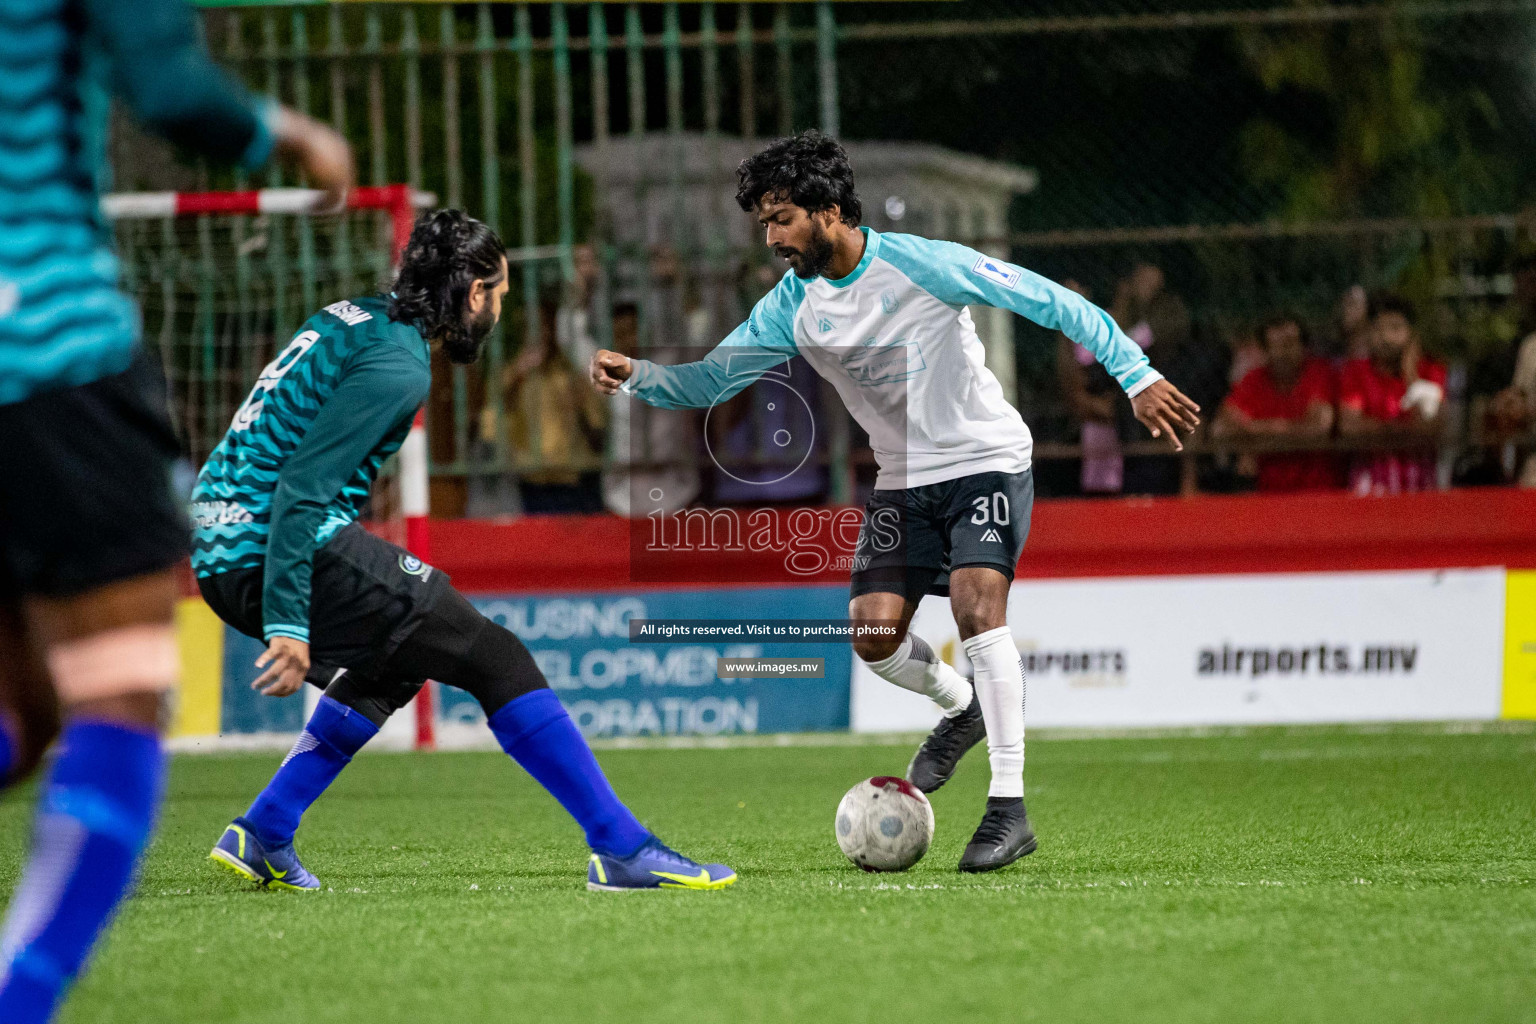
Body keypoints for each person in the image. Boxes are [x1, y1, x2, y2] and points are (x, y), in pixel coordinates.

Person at [588, 132, 1200, 872]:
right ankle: (960, 707)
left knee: (979, 610)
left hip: (984, 461)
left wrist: (1135, 377)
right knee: (873, 636)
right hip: (904, 480)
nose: (773, 237)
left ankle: (1008, 807)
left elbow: (1050, 301)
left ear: (830, 210)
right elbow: (713, 381)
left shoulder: (923, 264)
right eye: (765, 224)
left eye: (782, 219)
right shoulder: (790, 306)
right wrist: (639, 375)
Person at [196, 210, 734, 893]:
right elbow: (301, 487)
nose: (500, 309)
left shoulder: (349, 318)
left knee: (397, 658)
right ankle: (621, 847)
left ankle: (265, 830)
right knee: (495, 656)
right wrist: (286, 622)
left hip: (220, 547)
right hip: (270, 545)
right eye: (500, 293)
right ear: (472, 291)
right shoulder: (398, 366)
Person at [0, 0, 352, 1018]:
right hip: (42, 350)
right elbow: (172, 91)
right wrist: (287, 132)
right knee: (116, 694)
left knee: (25, 717)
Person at [1214, 314, 1343, 492]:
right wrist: (1281, 429)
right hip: (1266, 490)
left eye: (1290, 343)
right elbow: (1222, 427)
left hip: (1319, 488)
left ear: (1303, 347)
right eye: (1275, 345)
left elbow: (1319, 428)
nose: (1283, 352)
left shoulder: (1319, 374)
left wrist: (1253, 432)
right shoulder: (1253, 380)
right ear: (1265, 350)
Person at [1338, 293, 1447, 494]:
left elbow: (1430, 425)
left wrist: (1411, 373)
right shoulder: (1354, 372)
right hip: (1369, 488)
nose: (1386, 337)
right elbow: (1350, 426)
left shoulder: (1432, 372)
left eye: (1395, 328)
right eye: (1379, 329)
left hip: (1420, 488)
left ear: (1411, 333)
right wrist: (1404, 430)